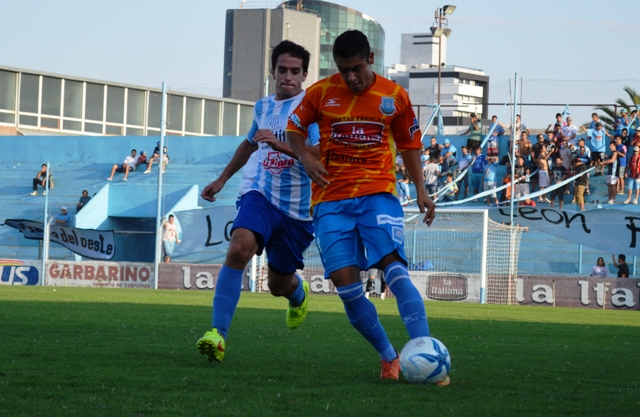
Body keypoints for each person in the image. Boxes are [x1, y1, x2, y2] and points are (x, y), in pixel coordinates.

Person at [286, 30, 443, 383]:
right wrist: (305, 157)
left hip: (377, 194)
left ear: (371, 59)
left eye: (356, 68)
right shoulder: (320, 93)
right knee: (347, 287)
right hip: (329, 200)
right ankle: (390, 358)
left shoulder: (394, 96)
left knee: (394, 268)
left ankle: (425, 349)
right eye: (343, 70)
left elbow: (409, 145)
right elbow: (293, 128)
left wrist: (421, 189)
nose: (351, 77)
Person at [196, 40, 320, 364]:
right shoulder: (263, 107)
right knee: (239, 248)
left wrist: (281, 146)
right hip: (260, 194)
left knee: (277, 285)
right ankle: (217, 335)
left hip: (297, 212)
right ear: (273, 72)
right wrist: (222, 179)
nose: (288, 76)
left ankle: (297, 292)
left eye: (295, 71)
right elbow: (250, 143)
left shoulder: (313, 109)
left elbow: (321, 154)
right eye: (283, 70)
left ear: (304, 75)